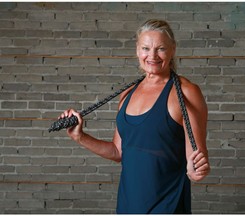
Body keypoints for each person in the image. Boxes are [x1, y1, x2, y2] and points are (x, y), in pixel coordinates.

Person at [59, 19, 210, 214]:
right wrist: (80, 136)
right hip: (128, 206)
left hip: (167, 206)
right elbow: (118, 152)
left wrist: (196, 170)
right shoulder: (127, 94)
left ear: (172, 49)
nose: (152, 56)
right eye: (146, 48)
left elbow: (196, 159)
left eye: (161, 48)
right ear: (137, 50)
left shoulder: (187, 92)